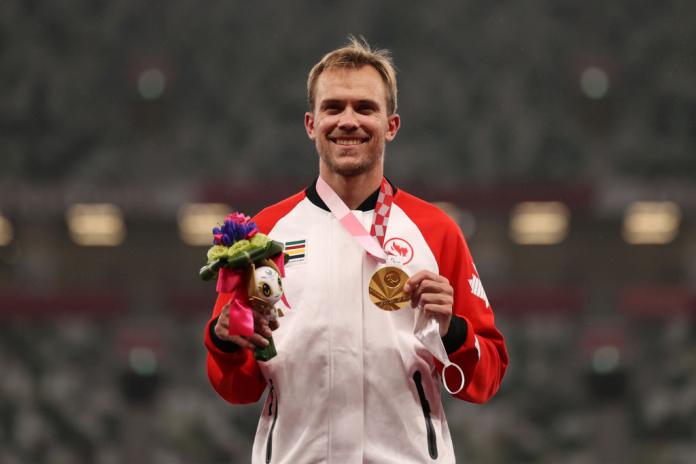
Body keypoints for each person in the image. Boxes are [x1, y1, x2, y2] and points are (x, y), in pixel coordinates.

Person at [204, 36, 508, 463]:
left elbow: (488, 376)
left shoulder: (436, 231)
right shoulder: (264, 234)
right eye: (333, 107)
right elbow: (237, 388)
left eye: (365, 108)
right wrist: (226, 342)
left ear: (391, 125)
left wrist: (452, 330)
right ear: (311, 124)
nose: (348, 120)